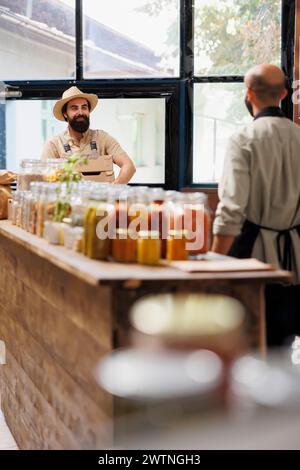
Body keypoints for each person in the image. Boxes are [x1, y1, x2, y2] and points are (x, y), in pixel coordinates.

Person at [211, 63, 300, 345]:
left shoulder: (243, 139)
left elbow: (231, 208)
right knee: (286, 341)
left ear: (248, 94)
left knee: (253, 342)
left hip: (253, 258)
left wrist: (216, 262)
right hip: (297, 261)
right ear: (284, 94)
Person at [41, 86, 136, 184]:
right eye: (74, 108)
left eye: (84, 107)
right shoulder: (54, 144)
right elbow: (44, 180)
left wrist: (112, 191)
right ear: (65, 113)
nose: (80, 112)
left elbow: (128, 166)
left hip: (102, 199)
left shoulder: (102, 138)